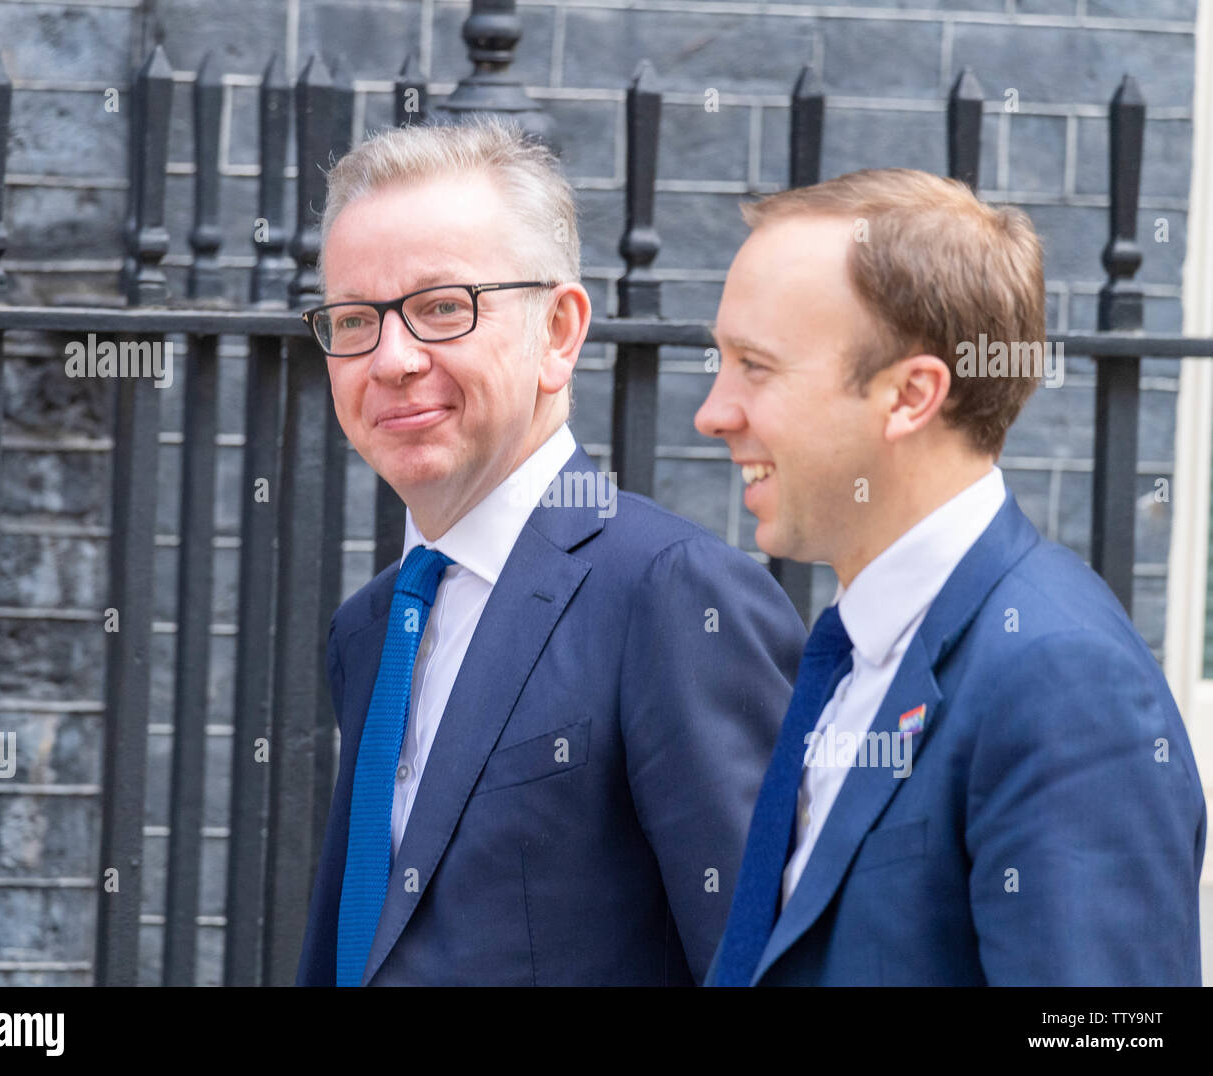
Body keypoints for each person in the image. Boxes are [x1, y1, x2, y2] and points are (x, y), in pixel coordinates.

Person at [295, 120, 806, 986]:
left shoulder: (671, 593)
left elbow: (764, 964)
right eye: (354, 320)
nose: (391, 359)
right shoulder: (370, 626)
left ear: (561, 332)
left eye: (442, 307)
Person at [695, 167, 1206, 986]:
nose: (713, 412)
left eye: (755, 365)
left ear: (910, 396)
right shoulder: (857, 645)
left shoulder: (1064, 683)